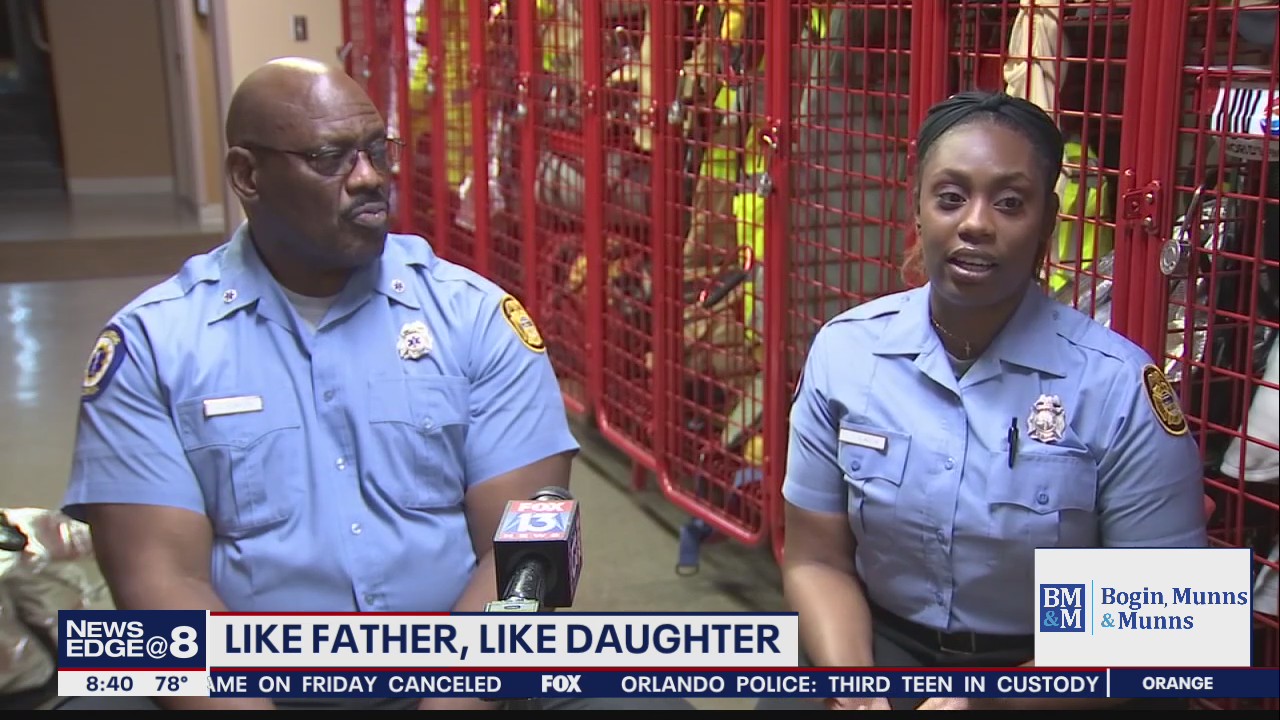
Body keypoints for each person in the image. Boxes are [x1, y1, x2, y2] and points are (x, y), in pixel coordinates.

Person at [56, 58, 693, 712]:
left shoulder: (474, 319)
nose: (369, 178)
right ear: (248, 176)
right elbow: (161, 582)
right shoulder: (154, 346)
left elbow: (533, 546)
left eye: (376, 149)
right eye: (330, 158)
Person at [757, 91, 1208, 711]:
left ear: (1047, 220)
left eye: (1010, 202)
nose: (974, 223)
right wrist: (854, 687)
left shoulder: (1120, 386)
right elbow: (816, 561)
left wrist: (996, 701)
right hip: (883, 643)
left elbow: (1167, 621)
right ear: (916, 210)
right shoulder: (846, 354)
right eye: (950, 197)